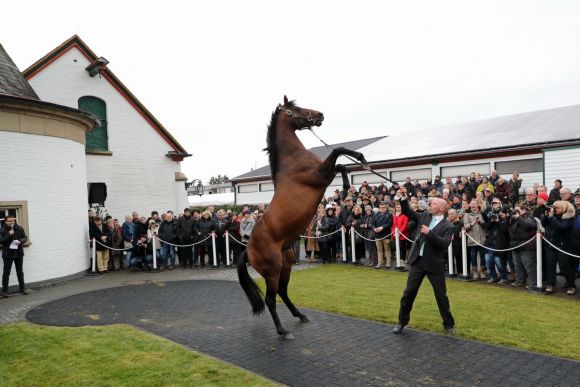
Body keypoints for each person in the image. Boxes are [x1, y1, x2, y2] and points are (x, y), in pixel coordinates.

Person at [392, 189, 455, 335]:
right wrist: (402, 198)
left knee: (441, 296)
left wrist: (430, 233)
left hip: (434, 265)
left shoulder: (448, 226)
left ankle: (449, 324)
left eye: (432, 204)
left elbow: (444, 244)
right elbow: (408, 212)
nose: (429, 205)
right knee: (408, 294)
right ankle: (402, 321)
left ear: (442, 208)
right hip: (417, 262)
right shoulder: (425, 216)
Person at [542, 200, 576, 295]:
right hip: (552, 244)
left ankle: (571, 285)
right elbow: (543, 224)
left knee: (564, 266)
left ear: (563, 208)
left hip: (563, 246)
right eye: (554, 207)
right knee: (550, 265)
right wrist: (546, 215)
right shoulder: (553, 216)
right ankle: (550, 284)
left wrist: (552, 217)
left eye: (557, 208)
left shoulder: (568, 217)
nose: (555, 209)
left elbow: (561, 227)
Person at [509, 205, 537, 289]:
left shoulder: (530, 218)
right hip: (515, 245)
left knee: (529, 265)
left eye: (517, 210)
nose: (515, 212)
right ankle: (520, 281)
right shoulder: (513, 219)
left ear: (524, 210)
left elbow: (529, 226)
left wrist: (519, 218)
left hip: (527, 246)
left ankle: (533, 283)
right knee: (517, 265)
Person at [1, 215, 28, 297]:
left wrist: (20, 241)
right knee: (6, 272)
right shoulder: (2, 230)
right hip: (8, 254)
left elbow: (25, 237)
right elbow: (1, 241)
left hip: (18, 253)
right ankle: (5, 291)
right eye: (9, 221)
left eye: (13, 220)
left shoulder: (19, 228)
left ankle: (22, 288)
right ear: (5, 221)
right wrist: (9, 234)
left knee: (20, 271)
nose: (12, 222)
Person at [483, 202, 510, 284]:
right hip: (490, 245)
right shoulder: (493, 221)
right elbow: (487, 228)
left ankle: (504, 278)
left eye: (501, 215)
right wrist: (492, 221)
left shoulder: (505, 222)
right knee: (488, 262)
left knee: (499, 264)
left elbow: (504, 230)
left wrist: (498, 221)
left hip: (500, 246)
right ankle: (493, 276)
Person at [463, 200, 487, 279]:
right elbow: (466, 226)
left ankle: (482, 271)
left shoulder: (482, 213)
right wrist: (472, 223)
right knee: (473, 256)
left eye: (474, 204)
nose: (473, 205)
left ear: (477, 205)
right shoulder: (466, 214)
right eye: (472, 204)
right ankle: (475, 271)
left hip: (482, 239)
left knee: (483, 256)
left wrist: (480, 222)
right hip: (472, 239)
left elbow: (486, 225)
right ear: (470, 205)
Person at [372, 202, 393, 269]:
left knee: (387, 249)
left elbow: (389, 223)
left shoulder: (389, 214)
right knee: (379, 249)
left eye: (384, 207)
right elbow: (372, 223)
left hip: (386, 234)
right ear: (379, 208)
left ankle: (388, 263)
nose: (382, 209)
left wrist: (382, 227)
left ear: (386, 208)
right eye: (381, 208)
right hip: (377, 235)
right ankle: (380, 263)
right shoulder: (376, 214)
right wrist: (374, 228)